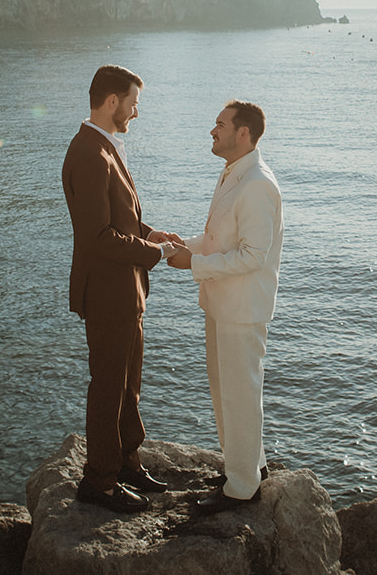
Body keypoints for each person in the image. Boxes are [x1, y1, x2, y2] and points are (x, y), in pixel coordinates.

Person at [62, 64, 184, 513]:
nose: (136, 112)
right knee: (109, 386)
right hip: (109, 294)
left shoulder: (106, 147)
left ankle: (127, 462)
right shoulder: (89, 154)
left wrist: (150, 235)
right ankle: (100, 482)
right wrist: (155, 255)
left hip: (126, 291)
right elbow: (97, 237)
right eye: (133, 103)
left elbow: (120, 222)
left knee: (129, 384)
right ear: (112, 102)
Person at [161, 99, 283, 514]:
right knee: (225, 392)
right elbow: (221, 240)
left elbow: (253, 256)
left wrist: (193, 263)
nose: (212, 131)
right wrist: (185, 247)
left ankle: (242, 487)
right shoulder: (234, 174)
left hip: (242, 309)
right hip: (222, 303)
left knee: (239, 394)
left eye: (220, 124)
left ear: (243, 133)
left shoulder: (258, 184)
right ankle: (249, 467)